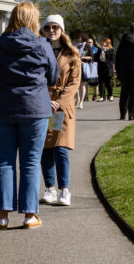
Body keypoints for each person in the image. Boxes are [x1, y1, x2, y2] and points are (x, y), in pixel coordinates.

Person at [0, 0, 59, 229]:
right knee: (30, 162)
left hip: (2, 107)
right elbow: (54, 76)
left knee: (4, 162)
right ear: (32, 20)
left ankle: (3, 216)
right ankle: (29, 215)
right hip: (34, 108)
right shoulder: (42, 44)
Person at [39, 15, 81, 208]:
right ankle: (50, 187)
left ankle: (65, 189)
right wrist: (46, 100)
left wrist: (58, 101)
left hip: (62, 107)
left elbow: (74, 83)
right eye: (47, 28)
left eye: (55, 27)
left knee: (61, 147)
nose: (51, 31)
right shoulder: (38, 50)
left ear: (62, 30)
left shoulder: (72, 54)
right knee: (46, 147)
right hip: (42, 103)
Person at [78, 35, 98, 106]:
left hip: (84, 66)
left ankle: (81, 102)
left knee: (82, 85)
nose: (78, 38)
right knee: (76, 85)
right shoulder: (75, 46)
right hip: (76, 67)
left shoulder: (87, 46)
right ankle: (77, 100)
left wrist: (82, 57)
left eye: (79, 37)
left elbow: (91, 57)